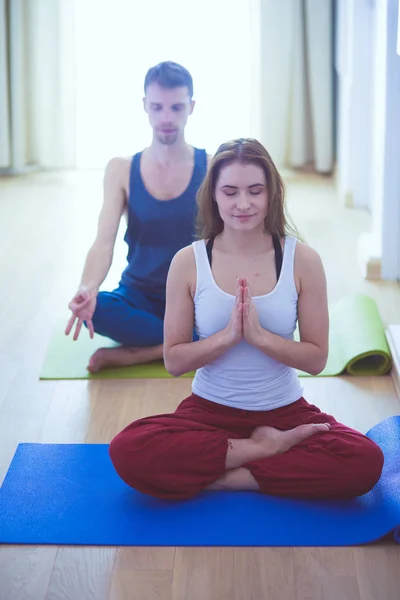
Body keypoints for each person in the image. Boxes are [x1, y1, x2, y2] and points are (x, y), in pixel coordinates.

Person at [108, 138, 384, 501]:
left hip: (284, 411)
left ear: (271, 194)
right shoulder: (188, 262)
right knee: (129, 449)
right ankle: (262, 453)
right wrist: (226, 337)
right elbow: (174, 361)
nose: (243, 203)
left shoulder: (302, 260)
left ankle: (230, 476)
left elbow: (317, 359)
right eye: (230, 191)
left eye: (255, 191)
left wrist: (259, 337)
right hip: (207, 412)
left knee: (365, 461)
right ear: (214, 196)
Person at [65, 61, 209, 372]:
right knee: (99, 307)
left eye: (176, 107)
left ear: (191, 107)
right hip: (139, 296)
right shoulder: (121, 169)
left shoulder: (211, 167)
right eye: (157, 107)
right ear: (145, 106)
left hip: (194, 300)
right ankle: (183, 347)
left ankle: (140, 352)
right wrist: (87, 288)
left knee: (240, 319)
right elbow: (104, 242)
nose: (167, 118)